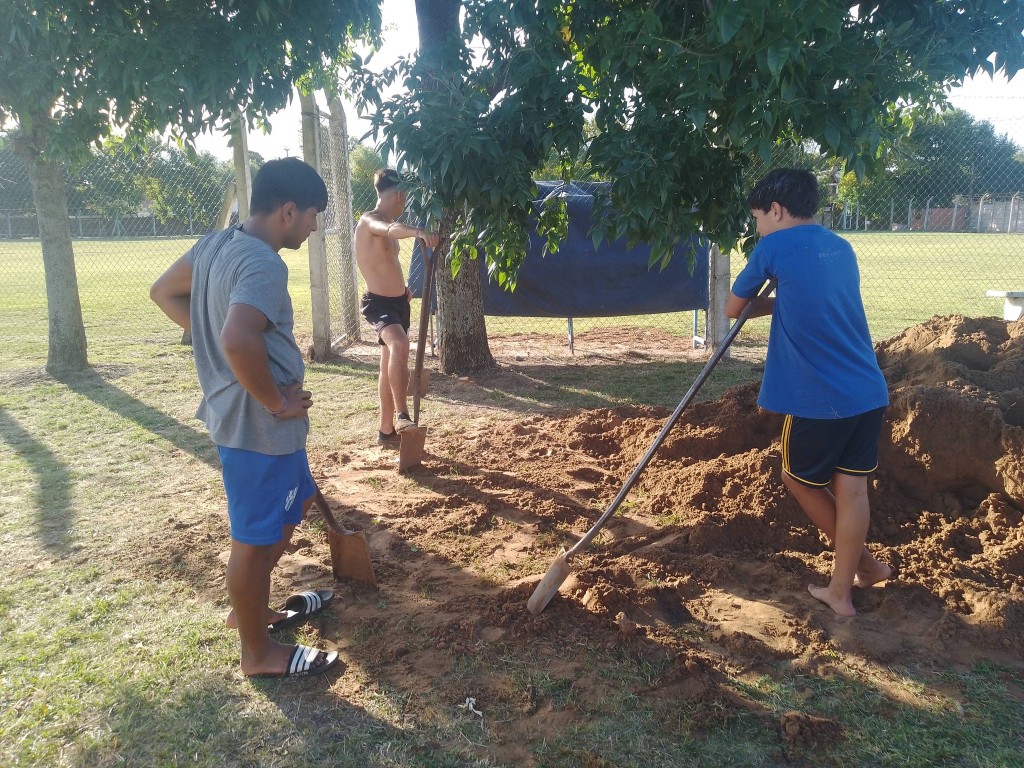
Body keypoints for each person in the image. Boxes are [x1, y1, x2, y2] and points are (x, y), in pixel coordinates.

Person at [150, 157, 339, 677]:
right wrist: (275, 401)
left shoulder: (213, 245)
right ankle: (258, 654)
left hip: (251, 424)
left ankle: (251, 611)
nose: (315, 227)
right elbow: (237, 337)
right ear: (287, 210)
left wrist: (203, 334)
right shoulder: (263, 262)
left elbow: (163, 292)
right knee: (254, 544)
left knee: (284, 518)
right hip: (258, 427)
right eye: (313, 216)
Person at [727, 168, 892, 617]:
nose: (758, 227)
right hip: (868, 391)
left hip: (819, 399)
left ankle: (857, 571)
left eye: (758, 217)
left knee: (797, 478)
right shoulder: (841, 246)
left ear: (775, 210)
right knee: (853, 490)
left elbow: (731, 308)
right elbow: (816, 298)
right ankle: (852, 582)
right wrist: (789, 298)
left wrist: (772, 297)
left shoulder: (773, 246)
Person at [354, 169, 440, 445]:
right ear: (399, 194)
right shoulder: (370, 221)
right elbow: (388, 230)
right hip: (378, 304)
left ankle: (386, 430)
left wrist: (402, 291)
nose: (405, 203)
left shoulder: (390, 223)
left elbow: (387, 264)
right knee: (400, 345)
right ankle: (402, 414)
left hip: (398, 302)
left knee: (386, 365)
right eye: (406, 197)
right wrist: (418, 232)